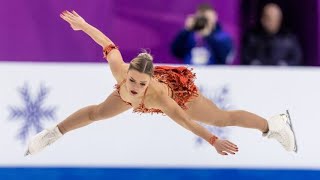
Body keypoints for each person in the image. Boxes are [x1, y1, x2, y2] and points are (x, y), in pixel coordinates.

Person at [25, 10, 297, 156]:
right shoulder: (120, 71)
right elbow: (106, 42)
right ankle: (52, 134)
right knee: (96, 113)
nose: (134, 87)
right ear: (127, 73)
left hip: (178, 94)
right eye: (132, 80)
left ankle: (274, 125)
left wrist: (213, 140)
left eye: (140, 84)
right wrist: (82, 25)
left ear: (149, 81)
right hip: (136, 91)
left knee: (223, 118)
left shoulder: (157, 96)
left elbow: (185, 121)